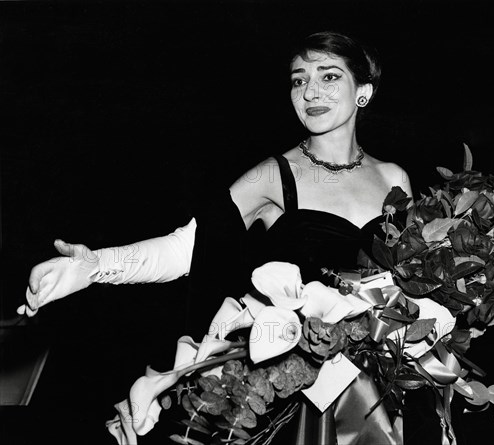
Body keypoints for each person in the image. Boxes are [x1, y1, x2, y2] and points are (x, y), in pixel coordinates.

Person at [20, 31, 417, 444]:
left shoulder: (394, 178)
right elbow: (186, 246)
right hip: (297, 387)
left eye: (329, 76)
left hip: (382, 381)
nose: (311, 91)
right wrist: (92, 267)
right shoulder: (273, 175)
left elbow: (408, 283)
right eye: (299, 80)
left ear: (363, 91)